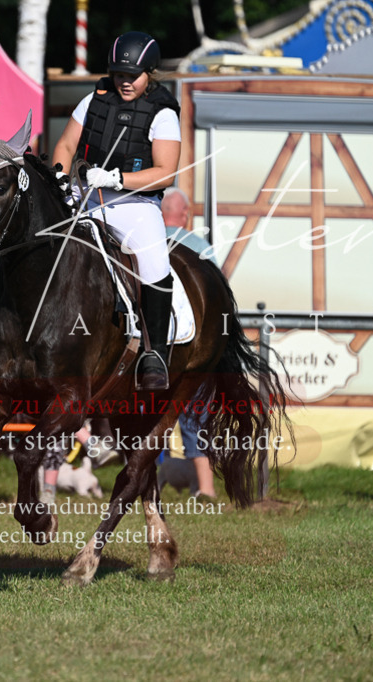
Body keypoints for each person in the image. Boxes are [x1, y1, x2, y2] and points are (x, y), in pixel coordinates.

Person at [51, 30, 182, 391]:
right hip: (85, 194)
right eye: (120, 75)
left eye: (133, 76)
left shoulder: (163, 112)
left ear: (149, 73)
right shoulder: (94, 98)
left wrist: (118, 177)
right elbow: (65, 145)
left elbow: (166, 171)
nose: (125, 82)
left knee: (155, 263)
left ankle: (154, 354)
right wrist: (61, 180)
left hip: (135, 203)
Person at [161, 187, 217, 498]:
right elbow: (217, 296)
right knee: (196, 410)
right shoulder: (199, 246)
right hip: (193, 343)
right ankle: (205, 487)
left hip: (154, 344)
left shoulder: (144, 242)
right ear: (185, 215)